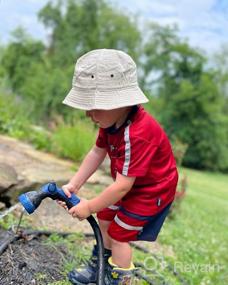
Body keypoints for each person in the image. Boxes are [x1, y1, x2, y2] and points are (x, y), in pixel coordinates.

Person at [59, 49, 178, 285]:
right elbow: (96, 152)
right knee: (105, 217)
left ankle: (119, 279)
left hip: (151, 190)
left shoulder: (138, 134)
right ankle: (100, 266)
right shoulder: (111, 121)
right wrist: (74, 184)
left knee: (119, 233)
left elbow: (123, 186)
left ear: (121, 102)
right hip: (129, 183)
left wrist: (89, 206)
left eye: (95, 106)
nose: (87, 114)